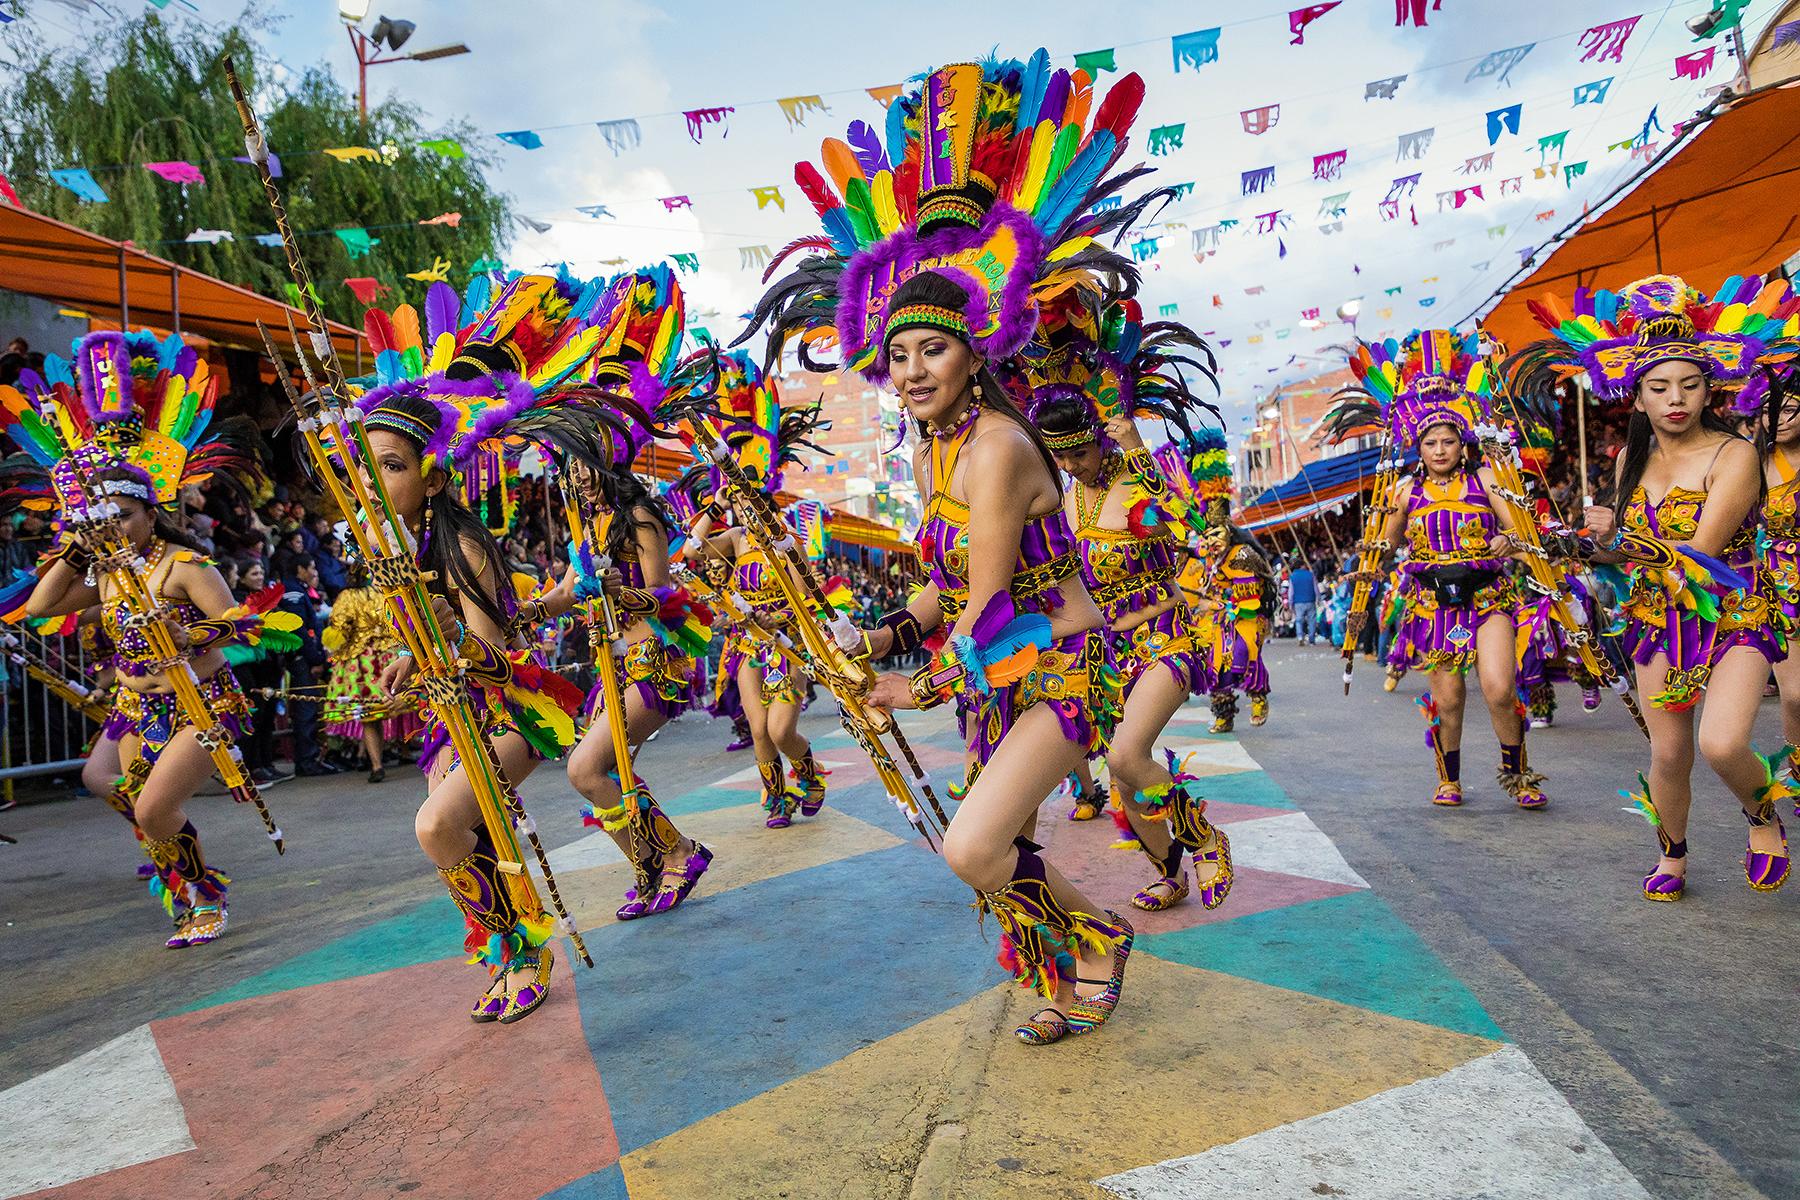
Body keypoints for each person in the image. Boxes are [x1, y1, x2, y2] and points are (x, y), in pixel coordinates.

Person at [747, 52, 1159, 1045]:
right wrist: (882, 637)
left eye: (931, 347)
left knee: (970, 842)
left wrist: (913, 688)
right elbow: (940, 598)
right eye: (895, 354)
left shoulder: (1002, 450)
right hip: (1001, 671)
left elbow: (985, 611)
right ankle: (1059, 985)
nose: (912, 367)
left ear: (975, 351)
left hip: (1062, 666)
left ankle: (1102, 935)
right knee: (1004, 847)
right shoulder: (940, 459)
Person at [356, 273, 599, 1022]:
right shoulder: (394, 544)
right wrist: (410, 660)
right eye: (366, 467)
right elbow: (436, 650)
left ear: (430, 475)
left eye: (391, 465)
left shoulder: (460, 542)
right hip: (450, 716)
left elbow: (492, 655)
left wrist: (442, 628)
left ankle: (529, 954)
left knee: (437, 826)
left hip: (511, 711)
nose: (375, 481)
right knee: (468, 841)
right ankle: (508, 956)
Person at [1511, 273, 1798, 898]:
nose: (1676, 399)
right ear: (1635, 396)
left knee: (1722, 743)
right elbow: (1624, 555)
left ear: (1708, 389)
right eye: (1660, 387)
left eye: (1690, 385)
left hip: (1732, 613)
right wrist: (1570, 542)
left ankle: (1761, 812)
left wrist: (1616, 539)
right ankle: (1673, 855)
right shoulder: (1627, 461)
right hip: (1655, 620)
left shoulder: (1735, 455)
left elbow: (1701, 553)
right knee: (1669, 756)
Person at [8, 330, 286, 947]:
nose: (116, 528)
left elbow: (243, 624)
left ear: (150, 511)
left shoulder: (187, 566)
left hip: (199, 700)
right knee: (136, 803)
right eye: (102, 520)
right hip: (138, 708)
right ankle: (186, 892)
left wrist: (184, 632)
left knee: (155, 809)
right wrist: (78, 550)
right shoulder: (106, 574)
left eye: (124, 516)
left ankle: (208, 900)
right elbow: (41, 604)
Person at [1028, 303, 1235, 915]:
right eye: (1060, 457)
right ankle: (1169, 871)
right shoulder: (1064, 498)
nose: (1072, 466)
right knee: (1125, 782)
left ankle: (1204, 838)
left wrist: (1141, 450)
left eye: (1080, 454)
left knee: (1123, 755)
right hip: (1103, 654)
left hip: (1163, 641)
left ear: (1100, 437)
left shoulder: (1137, 479)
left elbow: (1200, 531)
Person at [556, 267, 719, 919]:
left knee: (586, 769)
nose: (581, 480)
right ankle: (652, 863)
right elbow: (568, 592)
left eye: (589, 469)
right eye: (572, 469)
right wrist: (532, 609)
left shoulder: (641, 518)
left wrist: (625, 597)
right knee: (597, 774)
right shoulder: (585, 525)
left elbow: (663, 596)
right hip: (613, 665)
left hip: (657, 662)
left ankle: (677, 853)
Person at [1327, 329, 1546, 809]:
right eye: (1431, 442)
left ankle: (1519, 774)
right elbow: (1384, 543)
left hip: (1489, 598)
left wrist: (1505, 541)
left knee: (1499, 688)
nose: (1441, 449)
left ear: (1461, 442)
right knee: (1447, 700)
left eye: (1448, 440)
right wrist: (1366, 564)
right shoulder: (1404, 491)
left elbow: (1522, 531)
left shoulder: (1487, 479)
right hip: (1433, 605)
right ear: (1418, 446)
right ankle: (1449, 779)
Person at [683, 364, 832, 830]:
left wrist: (782, 623)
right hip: (746, 646)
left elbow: (809, 596)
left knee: (780, 729)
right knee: (758, 730)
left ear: (765, 498)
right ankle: (777, 799)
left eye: (749, 501)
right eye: (738, 503)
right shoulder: (731, 540)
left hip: (786, 644)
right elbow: (689, 551)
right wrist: (716, 506)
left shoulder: (786, 540)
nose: (744, 509)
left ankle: (809, 773)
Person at [1289, 558, 1318, 644]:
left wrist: (1291, 603)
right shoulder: (1310, 574)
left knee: (1299, 620)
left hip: (1298, 602)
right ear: (1302, 565)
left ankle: (1300, 637)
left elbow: (1291, 591)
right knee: (1312, 620)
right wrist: (1318, 599)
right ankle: (1311, 639)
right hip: (1310, 600)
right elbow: (1316, 588)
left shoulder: (1293, 576)